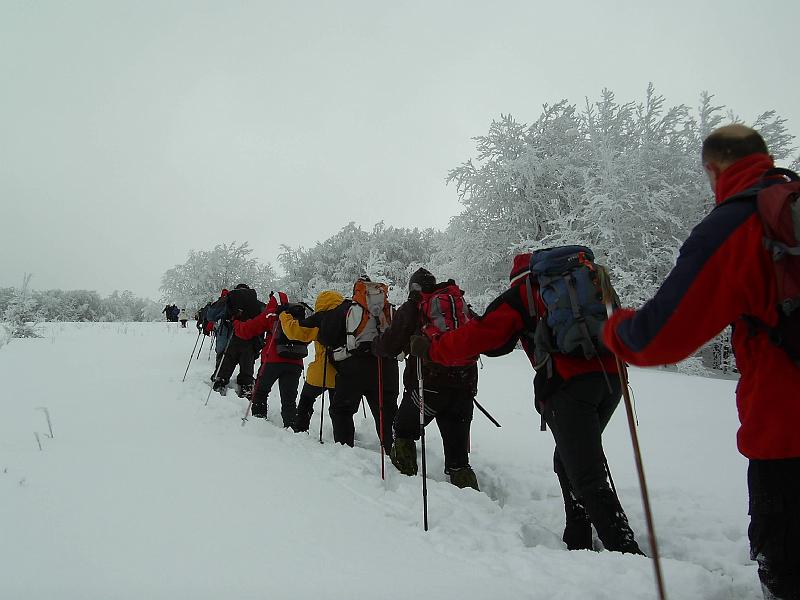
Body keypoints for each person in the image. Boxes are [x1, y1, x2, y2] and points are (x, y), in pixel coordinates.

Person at [602, 124, 800, 599]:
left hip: (786, 435)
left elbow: (659, 337)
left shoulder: (738, 224)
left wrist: (614, 328)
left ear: (714, 169)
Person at [411, 254, 643, 554]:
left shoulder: (523, 294)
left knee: (587, 473)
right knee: (570, 457)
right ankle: (578, 534)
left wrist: (433, 350)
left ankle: (626, 552)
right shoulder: (590, 281)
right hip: (612, 379)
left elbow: (479, 335)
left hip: (568, 386)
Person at [372, 268, 480, 490]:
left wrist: (377, 346)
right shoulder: (458, 304)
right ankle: (473, 500)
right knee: (459, 456)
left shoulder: (415, 306)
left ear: (413, 288)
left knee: (403, 430)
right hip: (464, 386)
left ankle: (406, 485)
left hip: (427, 389)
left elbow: (391, 343)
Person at [299, 278, 399, 453]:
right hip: (387, 369)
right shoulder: (390, 310)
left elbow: (327, 336)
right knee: (386, 412)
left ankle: (346, 452)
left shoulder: (347, 309)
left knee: (342, 410)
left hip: (354, 368)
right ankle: (394, 452)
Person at [234, 292, 304, 427]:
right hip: (295, 362)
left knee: (260, 392)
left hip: (272, 361)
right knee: (289, 399)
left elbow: (247, 331)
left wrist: (236, 322)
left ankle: (259, 424)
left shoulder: (270, 314)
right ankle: (291, 428)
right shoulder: (295, 315)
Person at [278, 290, 344, 433]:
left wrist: (284, 315)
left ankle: (301, 428)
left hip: (322, 371)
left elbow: (294, 331)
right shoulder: (348, 318)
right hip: (344, 372)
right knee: (339, 410)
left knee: (306, 399)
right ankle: (342, 439)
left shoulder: (321, 319)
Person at [209, 284, 263, 397]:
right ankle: (246, 389)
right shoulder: (256, 303)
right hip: (250, 342)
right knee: (246, 371)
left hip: (231, 340)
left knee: (225, 368)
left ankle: (219, 386)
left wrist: (222, 300)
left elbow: (211, 316)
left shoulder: (230, 301)